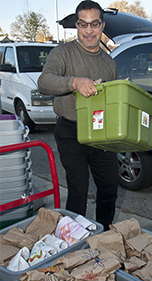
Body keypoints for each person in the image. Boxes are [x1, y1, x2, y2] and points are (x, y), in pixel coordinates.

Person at [38, 0, 119, 231]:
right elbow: (44, 82)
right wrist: (74, 82)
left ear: (102, 25)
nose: (89, 30)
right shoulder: (62, 53)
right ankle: (74, 239)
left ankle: (103, 232)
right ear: (77, 26)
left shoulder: (108, 62)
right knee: (78, 190)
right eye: (83, 24)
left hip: (101, 133)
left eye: (94, 24)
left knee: (109, 187)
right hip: (70, 130)